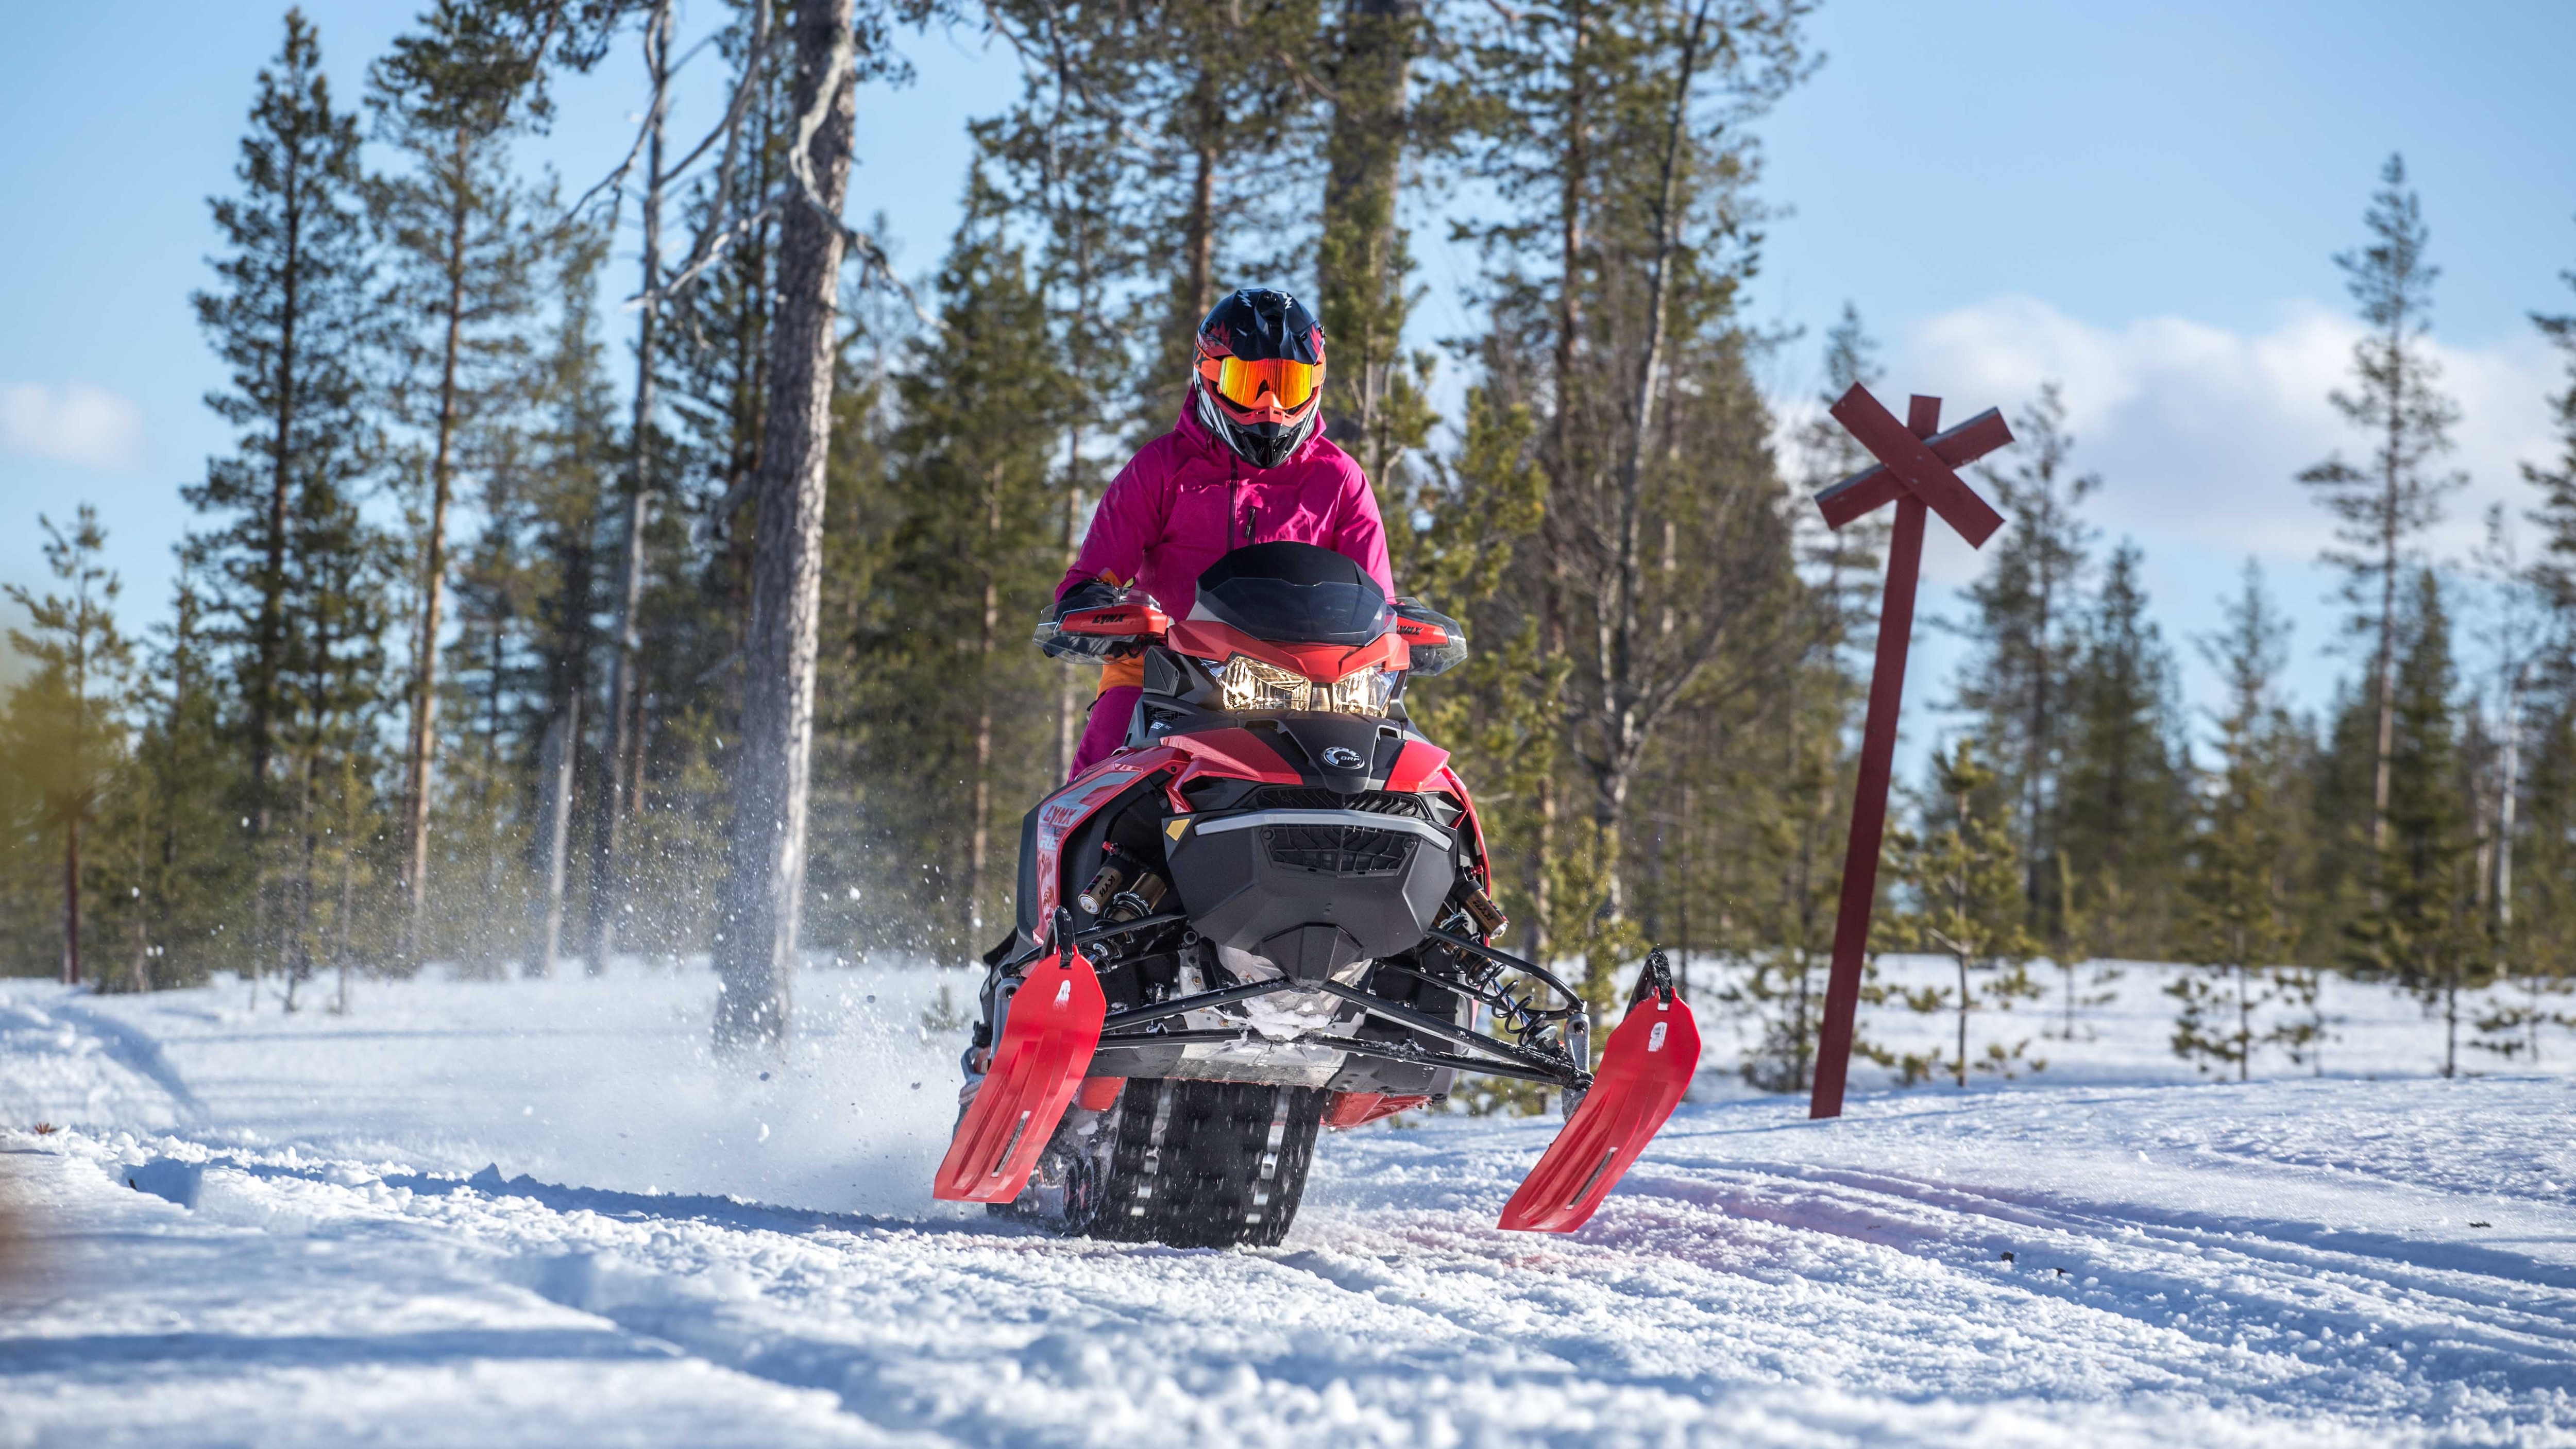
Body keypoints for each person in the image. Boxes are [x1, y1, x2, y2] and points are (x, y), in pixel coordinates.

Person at [1053, 287, 1393, 778]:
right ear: (1209, 375)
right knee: (1108, 746)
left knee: (1402, 766)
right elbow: (1088, 577)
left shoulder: (1339, 479)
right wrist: (1099, 608)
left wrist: (1402, 628)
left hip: (1312, 689)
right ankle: (1075, 851)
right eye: (1250, 381)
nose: (1270, 406)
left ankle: (1438, 849)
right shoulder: (1163, 468)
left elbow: (1378, 600)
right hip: (1173, 674)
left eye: (1288, 385)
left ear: (1315, 385)